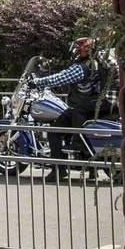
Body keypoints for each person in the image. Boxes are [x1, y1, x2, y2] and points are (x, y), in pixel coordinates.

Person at [30, 37, 111, 179]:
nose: (75, 51)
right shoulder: (97, 63)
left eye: (77, 48)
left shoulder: (82, 67)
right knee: (77, 128)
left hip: (82, 105)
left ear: (82, 50)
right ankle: (92, 170)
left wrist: (37, 82)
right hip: (92, 104)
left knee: (54, 132)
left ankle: (59, 170)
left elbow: (60, 78)